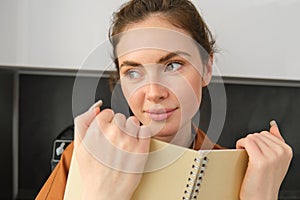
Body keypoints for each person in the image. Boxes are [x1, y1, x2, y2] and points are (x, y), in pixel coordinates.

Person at [36, 0, 293, 199]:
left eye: (173, 65)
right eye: (133, 71)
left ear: (206, 68)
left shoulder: (238, 173)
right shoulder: (84, 157)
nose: (154, 92)